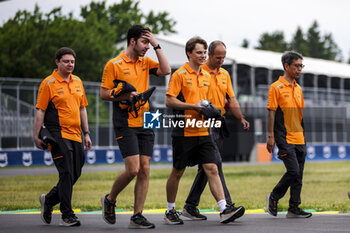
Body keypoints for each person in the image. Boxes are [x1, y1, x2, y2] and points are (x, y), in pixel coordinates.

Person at [100, 24, 170, 229]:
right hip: (125, 120)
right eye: (145, 42)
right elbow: (104, 94)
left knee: (145, 169)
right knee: (133, 169)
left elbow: (166, 70)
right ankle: (110, 199)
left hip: (148, 117)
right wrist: (124, 95)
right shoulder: (114, 64)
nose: (148, 46)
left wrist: (157, 45)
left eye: (149, 42)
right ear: (133, 41)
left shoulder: (145, 61)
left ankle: (137, 216)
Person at [164, 36, 238, 225]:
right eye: (199, 52)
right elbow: (169, 101)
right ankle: (170, 210)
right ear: (189, 53)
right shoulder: (179, 74)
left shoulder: (206, 76)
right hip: (184, 132)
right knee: (178, 172)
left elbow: (205, 103)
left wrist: (211, 110)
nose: (203, 56)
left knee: (212, 168)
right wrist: (194, 107)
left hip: (203, 131)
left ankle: (224, 209)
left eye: (204, 52)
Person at [182, 41, 249, 221]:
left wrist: (240, 117)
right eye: (218, 57)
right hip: (203, 123)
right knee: (215, 162)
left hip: (219, 122)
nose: (221, 60)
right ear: (209, 55)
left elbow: (232, 99)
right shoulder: (200, 72)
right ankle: (226, 206)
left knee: (207, 167)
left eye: (224, 57)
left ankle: (190, 206)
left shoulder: (225, 74)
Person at [34, 47, 92, 226]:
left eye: (72, 61)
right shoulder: (48, 83)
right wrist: (36, 135)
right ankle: (67, 214)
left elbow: (82, 108)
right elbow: (40, 110)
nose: (70, 64)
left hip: (76, 135)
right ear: (57, 62)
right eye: (66, 61)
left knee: (74, 174)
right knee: (66, 172)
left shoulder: (78, 82)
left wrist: (87, 133)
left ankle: (49, 200)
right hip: (57, 133)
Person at [266, 51, 312, 218]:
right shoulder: (275, 87)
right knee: (293, 171)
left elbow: (299, 115)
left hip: (300, 137)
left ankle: (294, 208)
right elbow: (271, 113)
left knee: (298, 175)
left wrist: (304, 137)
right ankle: (274, 196)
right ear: (286, 66)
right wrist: (271, 136)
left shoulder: (299, 89)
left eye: (301, 66)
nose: (299, 69)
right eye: (296, 66)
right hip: (284, 137)